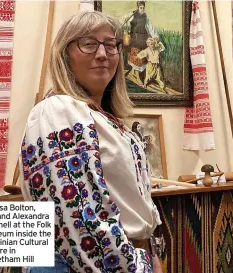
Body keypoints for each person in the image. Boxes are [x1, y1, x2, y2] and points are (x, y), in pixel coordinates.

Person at [19, 11, 163, 273]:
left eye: (110, 44)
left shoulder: (104, 118)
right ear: (65, 54)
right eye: (88, 43)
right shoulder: (57, 109)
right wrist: (138, 266)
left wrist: (149, 256)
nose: (102, 54)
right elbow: (80, 218)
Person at [122, 1, 158, 86]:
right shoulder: (132, 15)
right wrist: (126, 19)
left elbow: (151, 27)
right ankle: (137, 77)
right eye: (140, 7)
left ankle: (137, 75)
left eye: (143, 8)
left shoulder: (146, 17)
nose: (142, 9)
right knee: (136, 56)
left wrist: (155, 36)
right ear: (138, 8)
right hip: (135, 39)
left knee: (143, 58)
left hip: (144, 39)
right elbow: (124, 20)